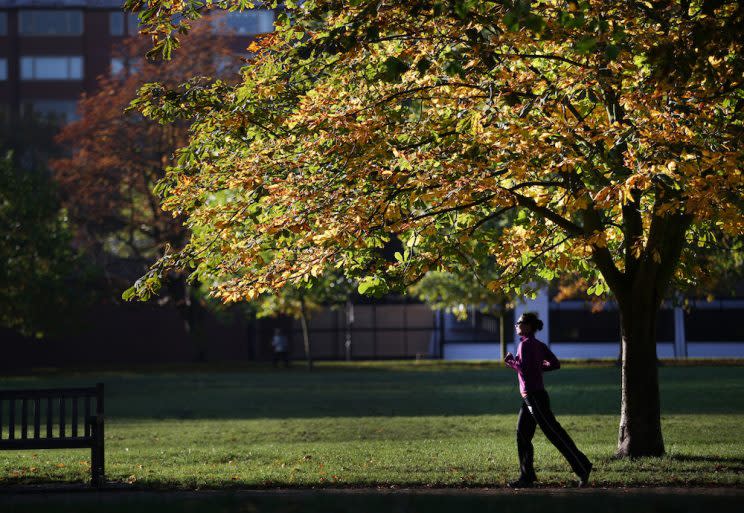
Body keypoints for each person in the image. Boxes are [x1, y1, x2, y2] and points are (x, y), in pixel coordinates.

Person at [504, 312, 592, 488]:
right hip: (530, 397)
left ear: (528, 326)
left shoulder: (525, 345)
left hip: (534, 396)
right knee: (522, 435)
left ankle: (583, 466)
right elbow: (555, 364)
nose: (516, 325)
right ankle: (526, 476)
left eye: (519, 322)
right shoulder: (538, 344)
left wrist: (511, 362)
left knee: (554, 433)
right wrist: (537, 368)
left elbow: (525, 369)